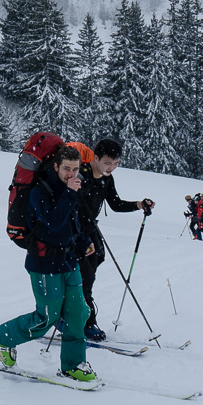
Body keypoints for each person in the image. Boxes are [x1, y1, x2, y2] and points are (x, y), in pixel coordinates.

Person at [0, 144, 99, 383]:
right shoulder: (40, 191)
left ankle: (72, 364)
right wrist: (70, 194)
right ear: (56, 166)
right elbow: (52, 225)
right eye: (67, 169)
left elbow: (73, 223)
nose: (72, 174)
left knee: (77, 313)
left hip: (69, 261)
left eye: (76, 169)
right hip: (44, 263)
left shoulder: (70, 189)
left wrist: (83, 241)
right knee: (45, 318)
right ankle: (2, 337)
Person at [72, 137, 155, 342]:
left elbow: (115, 204)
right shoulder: (80, 175)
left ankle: (69, 314)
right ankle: (86, 323)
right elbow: (69, 207)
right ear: (96, 157)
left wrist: (139, 204)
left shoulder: (106, 178)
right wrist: (79, 238)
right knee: (86, 279)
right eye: (108, 163)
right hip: (75, 233)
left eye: (116, 164)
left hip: (91, 231)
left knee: (91, 268)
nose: (112, 168)